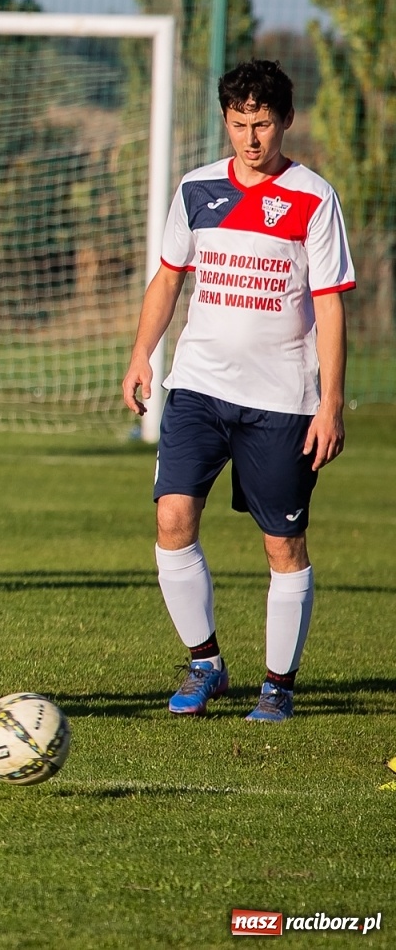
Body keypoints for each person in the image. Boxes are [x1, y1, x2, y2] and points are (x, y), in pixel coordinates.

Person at [122, 60, 354, 723]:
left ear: (284, 122)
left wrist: (331, 403)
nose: (249, 138)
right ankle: (205, 664)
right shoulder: (196, 189)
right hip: (197, 386)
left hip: (283, 399)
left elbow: (331, 306)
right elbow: (168, 278)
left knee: (283, 546)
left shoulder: (313, 197)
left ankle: (277, 686)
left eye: (262, 124)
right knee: (171, 519)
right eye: (238, 123)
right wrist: (142, 353)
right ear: (225, 119)